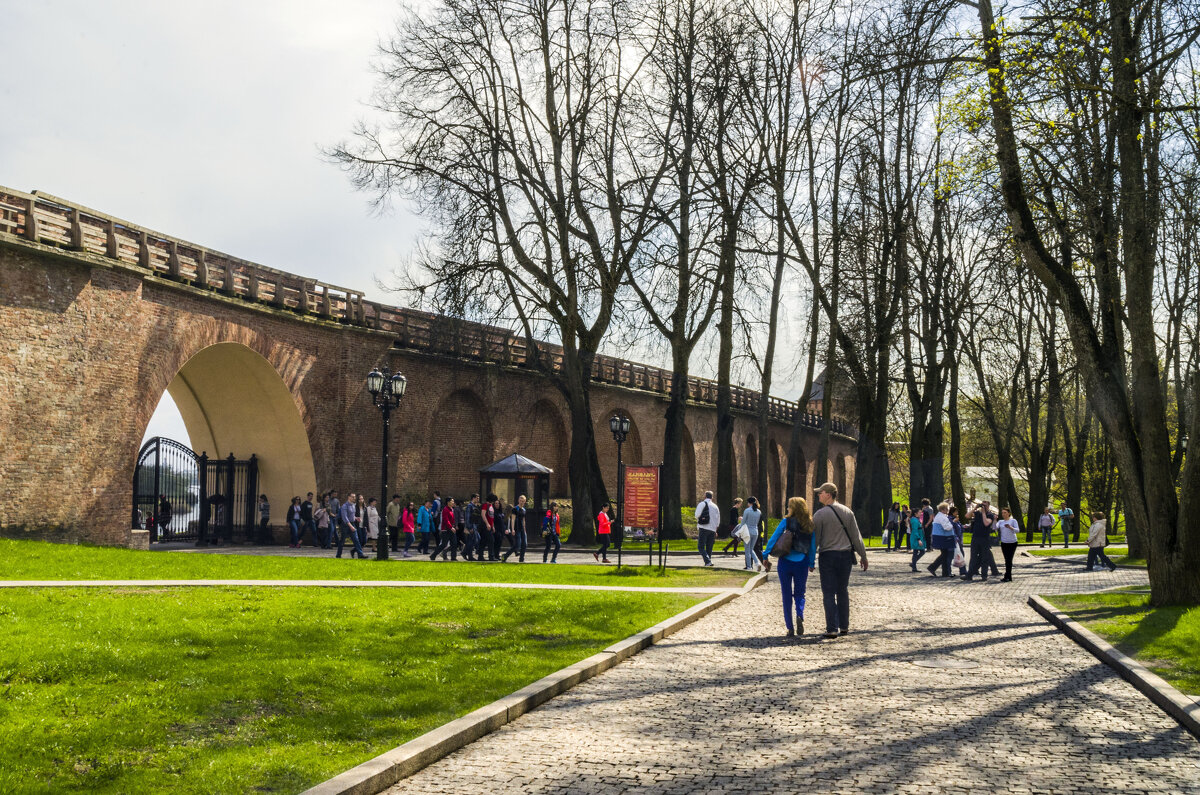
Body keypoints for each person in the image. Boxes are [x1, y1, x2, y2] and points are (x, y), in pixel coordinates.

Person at [812, 482, 868, 639]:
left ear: (828, 494)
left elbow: (815, 540)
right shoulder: (847, 511)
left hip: (828, 556)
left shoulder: (820, 515)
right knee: (842, 590)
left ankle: (831, 628)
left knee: (828, 592)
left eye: (820, 493)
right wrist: (863, 556)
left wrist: (810, 559)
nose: (818, 495)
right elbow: (856, 536)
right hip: (845, 556)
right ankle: (844, 626)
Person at [762, 497, 818, 637]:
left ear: (793, 508)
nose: (787, 509)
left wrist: (765, 554)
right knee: (800, 593)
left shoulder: (786, 522)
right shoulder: (810, 524)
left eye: (789, 506)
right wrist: (811, 563)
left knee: (786, 595)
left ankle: (790, 627)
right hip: (802, 562)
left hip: (785, 561)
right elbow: (812, 547)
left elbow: (774, 538)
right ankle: (800, 614)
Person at [962, 506, 995, 581]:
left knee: (984, 557)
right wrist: (975, 508)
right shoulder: (977, 513)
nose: (983, 506)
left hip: (985, 539)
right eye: (982, 504)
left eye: (985, 505)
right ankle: (969, 575)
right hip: (975, 538)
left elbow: (986, 523)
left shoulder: (990, 515)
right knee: (973, 557)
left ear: (988, 506)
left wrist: (983, 513)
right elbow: (967, 516)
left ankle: (984, 576)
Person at [695, 491, 720, 567]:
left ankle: (708, 561)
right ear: (712, 497)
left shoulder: (702, 504)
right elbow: (718, 520)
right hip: (712, 529)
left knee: (701, 546)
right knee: (709, 547)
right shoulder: (715, 506)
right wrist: (715, 529)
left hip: (704, 527)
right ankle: (708, 562)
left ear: (705, 496)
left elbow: (697, 515)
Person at [337, 493, 366, 559]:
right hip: (345, 525)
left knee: (356, 540)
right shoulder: (344, 506)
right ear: (348, 497)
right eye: (352, 497)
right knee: (342, 541)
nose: (354, 498)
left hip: (352, 523)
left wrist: (356, 518)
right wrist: (351, 526)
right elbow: (345, 518)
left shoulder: (353, 505)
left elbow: (352, 516)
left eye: (354, 497)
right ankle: (338, 555)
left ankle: (360, 554)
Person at [741, 497, 765, 572]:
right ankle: (757, 563)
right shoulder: (759, 511)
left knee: (747, 550)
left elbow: (743, 522)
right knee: (751, 549)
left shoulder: (747, 511)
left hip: (747, 531)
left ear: (749, 503)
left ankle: (749, 566)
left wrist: (740, 532)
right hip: (755, 531)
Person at [503, 494, 528, 562]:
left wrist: (525, 529)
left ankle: (521, 559)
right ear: (518, 501)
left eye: (523, 501)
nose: (522, 502)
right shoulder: (515, 509)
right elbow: (513, 519)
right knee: (517, 545)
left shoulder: (524, 510)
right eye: (520, 501)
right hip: (517, 528)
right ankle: (505, 556)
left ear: (525, 501)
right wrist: (513, 529)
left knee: (524, 544)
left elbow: (523, 520)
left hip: (522, 529)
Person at [996, 506, 1019, 581]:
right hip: (1004, 542)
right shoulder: (1000, 522)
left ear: (1009, 513)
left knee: (1009, 559)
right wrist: (994, 520)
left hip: (1012, 542)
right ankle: (1008, 576)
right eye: (1002, 513)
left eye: (1005, 513)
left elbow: (1017, 530)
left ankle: (1008, 576)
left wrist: (1010, 527)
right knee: (1007, 559)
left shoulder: (1013, 521)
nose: (1003, 514)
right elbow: (995, 528)